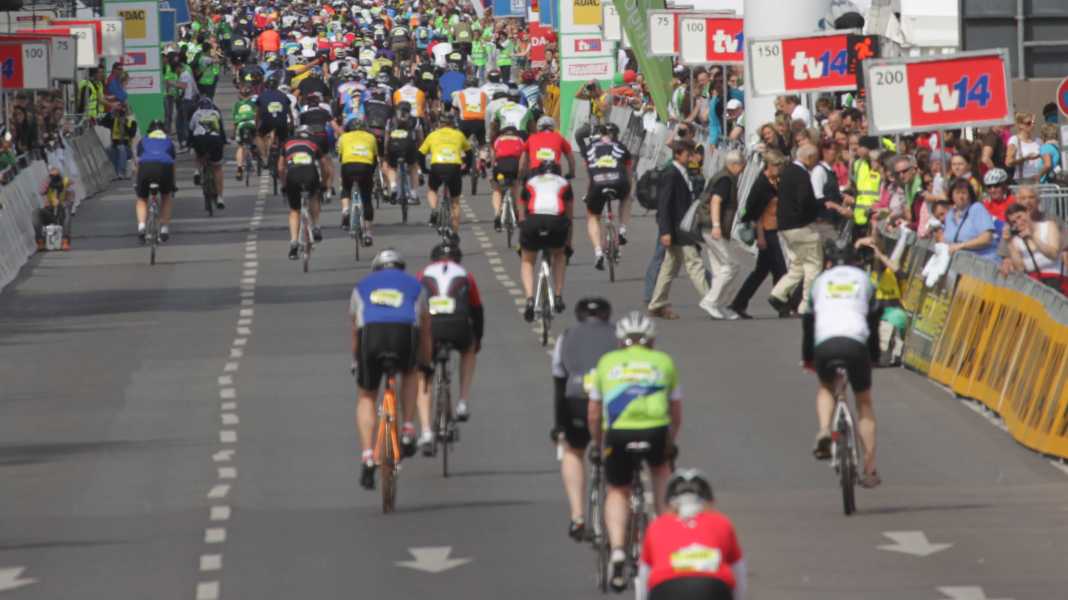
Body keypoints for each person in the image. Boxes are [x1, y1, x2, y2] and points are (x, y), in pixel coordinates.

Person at [588, 311, 681, 593]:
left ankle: (617, 550)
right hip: (655, 430)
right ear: (651, 341)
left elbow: (594, 413)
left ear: (620, 342)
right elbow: (676, 412)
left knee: (617, 490)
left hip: (619, 433)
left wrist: (597, 443)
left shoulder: (606, 363)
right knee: (661, 472)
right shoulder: (663, 361)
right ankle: (666, 545)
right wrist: (670, 442)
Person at [350, 249, 433, 490]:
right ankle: (407, 427)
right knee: (410, 373)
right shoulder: (414, 285)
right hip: (402, 334)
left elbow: (355, 328)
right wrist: (425, 362)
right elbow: (426, 328)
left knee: (366, 395)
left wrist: (356, 360)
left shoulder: (362, 285)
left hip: (372, 336)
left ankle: (367, 456)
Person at [803, 239, 881, 488]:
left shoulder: (819, 281)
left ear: (828, 262)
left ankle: (825, 429)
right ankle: (869, 468)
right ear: (855, 260)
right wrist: (874, 354)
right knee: (863, 401)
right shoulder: (864, 279)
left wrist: (808, 357)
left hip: (826, 342)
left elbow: (808, 320)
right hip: (855, 341)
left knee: (826, 386)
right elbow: (874, 316)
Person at [551, 297, 615, 541]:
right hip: (610, 402)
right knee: (615, 452)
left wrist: (558, 425)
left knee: (573, 450)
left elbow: (559, 381)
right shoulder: (618, 334)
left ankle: (577, 516)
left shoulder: (566, 336)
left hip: (576, 399)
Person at [415, 241, 484, 453]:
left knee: (423, 374)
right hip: (458, 326)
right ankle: (462, 401)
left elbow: (415, 307)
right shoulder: (465, 274)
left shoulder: (422, 274)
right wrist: (477, 340)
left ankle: (426, 430)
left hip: (431, 328)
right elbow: (477, 311)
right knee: (468, 350)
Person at [639, 469, 747, 600]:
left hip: (666, 588)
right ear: (708, 501)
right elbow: (739, 573)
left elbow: (644, 577)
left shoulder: (657, 525)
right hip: (712, 587)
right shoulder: (721, 522)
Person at [647, 140, 710, 320]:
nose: (690, 158)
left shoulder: (681, 173)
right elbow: (664, 205)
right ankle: (710, 301)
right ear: (678, 154)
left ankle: (657, 303)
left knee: (669, 266)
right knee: (695, 264)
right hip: (677, 229)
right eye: (687, 154)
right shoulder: (671, 174)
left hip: (679, 228)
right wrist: (665, 231)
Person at [729, 150, 789, 319]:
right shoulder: (761, 184)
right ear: (768, 165)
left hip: (773, 229)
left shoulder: (774, 181)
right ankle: (781, 303)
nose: (779, 168)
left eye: (781, 165)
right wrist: (760, 236)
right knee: (780, 269)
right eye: (777, 165)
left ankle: (738, 303)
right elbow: (756, 214)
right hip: (765, 232)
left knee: (761, 271)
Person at [768, 143, 822, 317]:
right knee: (813, 265)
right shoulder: (801, 175)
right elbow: (804, 200)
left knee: (798, 264)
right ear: (810, 157)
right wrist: (815, 213)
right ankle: (806, 305)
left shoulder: (788, 172)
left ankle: (779, 293)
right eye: (816, 158)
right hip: (800, 226)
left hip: (785, 226)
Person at [519, 160, 572, 321]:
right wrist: (568, 244)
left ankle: (529, 299)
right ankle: (557, 295)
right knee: (559, 255)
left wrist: (523, 226)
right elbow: (569, 218)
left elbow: (522, 210)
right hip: (556, 222)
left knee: (527, 260)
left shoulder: (531, 182)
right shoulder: (564, 183)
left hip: (534, 220)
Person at [697, 149, 745, 320]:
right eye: (742, 166)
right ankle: (711, 301)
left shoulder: (723, 176)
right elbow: (716, 201)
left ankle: (720, 305)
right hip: (712, 228)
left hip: (709, 227)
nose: (743, 170)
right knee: (732, 266)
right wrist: (717, 225)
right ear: (734, 164)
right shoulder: (725, 179)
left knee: (720, 269)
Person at [583, 122, 632, 270]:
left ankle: (598, 252)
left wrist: (588, 194)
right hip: (618, 182)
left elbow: (589, 175)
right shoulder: (622, 147)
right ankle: (622, 230)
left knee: (592, 216)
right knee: (626, 198)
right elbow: (629, 174)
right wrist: (629, 191)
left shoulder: (589, 148)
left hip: (597, 184)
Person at [419, 113, 472, 238]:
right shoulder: (459, 134)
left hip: (437, 166)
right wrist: (466, 169)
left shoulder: (433, 135)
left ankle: (434, 210)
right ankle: (455, 233)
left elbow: (420, 153)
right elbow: (469, 153)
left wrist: (424, 169)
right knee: (455, 202)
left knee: (432, 189)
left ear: (439, 123)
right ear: (452, 124)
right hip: (454, 167)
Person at [279, 125, 324, 260]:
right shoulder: (313, 143)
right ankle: (316, 226)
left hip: (293, 175)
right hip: (310, 174)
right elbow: (323, 165)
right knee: (315, 196)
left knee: (294, 210)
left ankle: (294, 243)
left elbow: (281, 168)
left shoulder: (287, 143)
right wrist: (324, 183)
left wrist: (284, 184)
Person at [1006, 203, 1066, 294]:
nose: (1019, 222)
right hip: (1035, 284)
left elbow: (1053, 254)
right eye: (1013, 222)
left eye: (1019, 217)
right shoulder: (1016, 240)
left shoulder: (1048, 226)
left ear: (1027, 213)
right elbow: (1020, 269)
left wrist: (1033, 237)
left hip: (1057, 280)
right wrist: (1009, 243)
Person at [133, 121, 177, 244]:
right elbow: (173, 163)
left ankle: (141, 226)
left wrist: (138, 182)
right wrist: (173, 183)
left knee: (142, 199)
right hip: (165, 168)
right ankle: (164, 229)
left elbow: (138, 163)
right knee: (166, 196)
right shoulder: (168, 141)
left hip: (146, 167)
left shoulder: (143, 140)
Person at [337, 118, 378, 246]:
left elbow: (340, 157)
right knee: (366, 198)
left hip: (348, 166)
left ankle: (345, 211)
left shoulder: (344, 137)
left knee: (345, 188)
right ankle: (368, 233)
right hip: (365, 166)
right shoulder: (371, 137)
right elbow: (375, 158)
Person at [943, 177, 997, 261]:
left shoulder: (977, 208)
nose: (961, 196)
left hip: (982, 261)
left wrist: (961, 245)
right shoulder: (949, 215)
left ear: (970, 195)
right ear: (951, 195)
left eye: (964, 193)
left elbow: (986, 239)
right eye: (957, 193)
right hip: (960, 263)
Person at [189, 97, 228, 211]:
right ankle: (220, 197)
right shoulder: (216, 113)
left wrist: (189, 144)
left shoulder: (196, 114)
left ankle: (196, 171)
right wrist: (224, 143)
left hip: (199, 139)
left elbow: (191, 131)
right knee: (217, 167)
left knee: (198, 153)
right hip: (214, 140)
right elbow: (221, 131)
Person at [383, 101, 423, 206]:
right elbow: (420, 137)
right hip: (409, 146)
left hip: (394, 146)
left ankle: (393, 185)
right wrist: (419, 149)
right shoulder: (415, 120)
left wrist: (386, 151)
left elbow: (386, 138)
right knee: (413, 166)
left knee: (391, 167)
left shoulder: (390, 120)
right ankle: (414, 195)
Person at [491, 125, 525, 232]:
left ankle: (497, 214)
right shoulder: (520, 140)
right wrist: (520, 173)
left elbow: (493, 156)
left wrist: (493, 170)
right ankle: (519, 214)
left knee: (497, 189)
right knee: (516, 188)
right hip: (514, 165)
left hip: (500, 166)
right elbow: (523, 159)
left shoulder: (498, 140)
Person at [35, 166, 73, 251]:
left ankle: (65, 240)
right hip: (50, 212)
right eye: (52, 176)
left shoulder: (66, 183)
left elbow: (71, 200)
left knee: (67, 212)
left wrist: (60, 203)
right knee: (36, 212)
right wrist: (48, 182)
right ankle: (40, 241)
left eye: (56, 176)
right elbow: (41, 191)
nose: (54, 178)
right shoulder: (48, 183)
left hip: (61, 212)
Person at [98, 103, 138, 180]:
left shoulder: (131, 122)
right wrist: (111, 111)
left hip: (127, 149)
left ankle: (121, 172)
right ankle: (115, 172)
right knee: (108, 150)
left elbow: (132, 134)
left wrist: (124, 125)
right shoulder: (114, 121)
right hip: (115, 146)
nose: (121, 115)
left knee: (121, 149)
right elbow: (102, 123)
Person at [232, 85, 259, 181]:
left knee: (240, 146)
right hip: (252, 123)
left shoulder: (237, 104)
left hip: (241, 125)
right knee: (257, 136)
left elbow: (235, 121)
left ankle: (239, 167)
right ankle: (255, 147)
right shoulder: (254, 103)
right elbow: (258, 115)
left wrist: (233, 133)